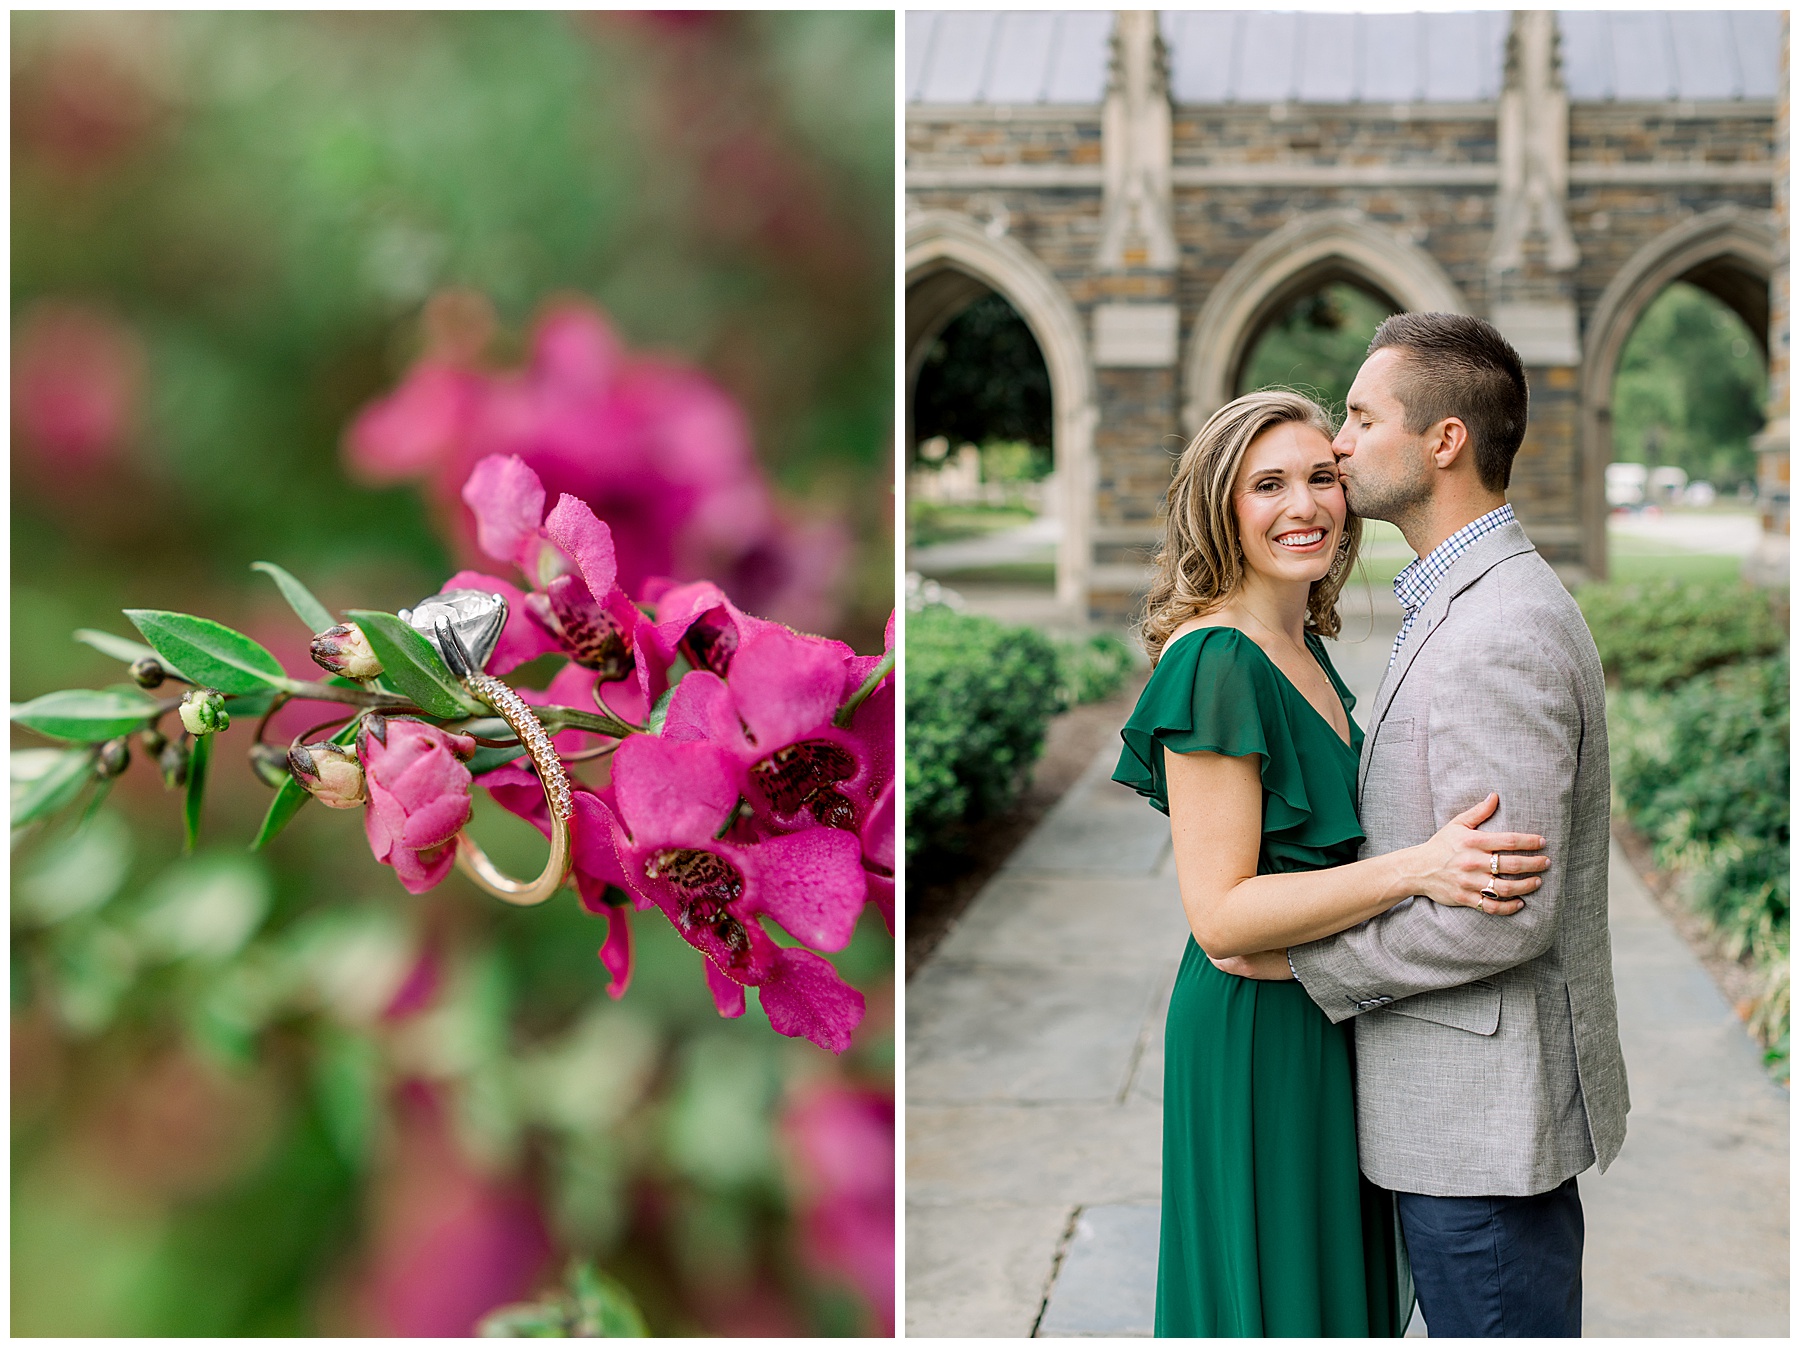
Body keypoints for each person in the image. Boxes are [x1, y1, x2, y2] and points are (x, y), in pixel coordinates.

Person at [1214, 313, 1630, 1338]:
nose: (1339, 443)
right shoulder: (1457, 602)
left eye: (1361, 417)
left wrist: (1311, 966)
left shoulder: (1497, 631)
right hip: (1454, 1117)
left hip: (1479, 1130)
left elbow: (1500, 916)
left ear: (1444, 441)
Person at [1112, 386, 1551, 1337]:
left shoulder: (1303, 641)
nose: (1304, 506)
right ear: (1220, 504)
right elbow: (1221, 914)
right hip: (1257, 1026)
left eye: (1322, 477)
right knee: (1282, 1299)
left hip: (1329, 1004)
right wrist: (1419, 870)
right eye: (1267, 484)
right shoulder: (1216, 661)